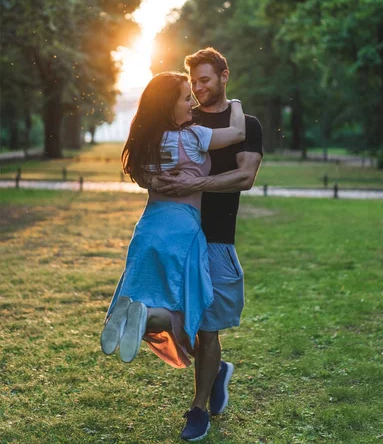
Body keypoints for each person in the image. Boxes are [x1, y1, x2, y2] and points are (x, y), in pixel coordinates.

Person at [100, 71, 245, 441]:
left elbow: (143, 177)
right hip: (182, 231)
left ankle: (137, 314)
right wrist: (238, 106)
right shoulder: (194, 135)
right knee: (185, 308)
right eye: (185, 99)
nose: (192, 104)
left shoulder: (148, 142)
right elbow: (237, 134)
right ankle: (146, 317)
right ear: (170, 105)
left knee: (148, 299)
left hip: (148, 230)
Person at [152, 48, 263, 441]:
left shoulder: (246, 123)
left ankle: (198, 409)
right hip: (178, 236)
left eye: (205, 80)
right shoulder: (184, 118)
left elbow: (244, 176)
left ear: (223, 75)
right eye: (193, 82)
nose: (198, 89)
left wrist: (194, 183)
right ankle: (215, 370)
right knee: (163, 320)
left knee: (208, 329)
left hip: (216, 239)